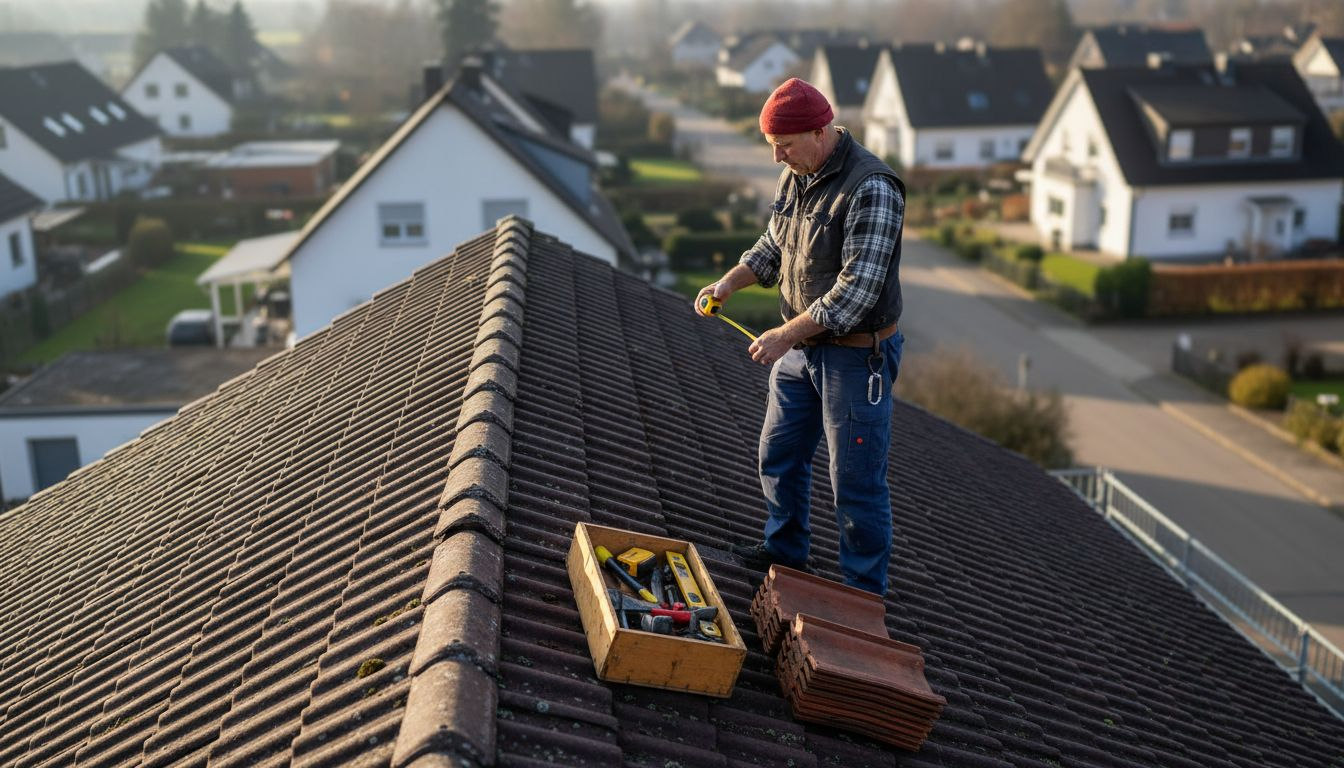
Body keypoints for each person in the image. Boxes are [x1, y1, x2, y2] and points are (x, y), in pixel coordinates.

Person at [695, 77, 905, 596]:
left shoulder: (871, 187)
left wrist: (784, 334)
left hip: (858, 361)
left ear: (820, 131)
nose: (777, 159)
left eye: (784, 147)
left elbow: (855, 292)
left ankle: (862, 595)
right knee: (779, 452)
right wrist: (727, 284)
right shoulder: (797, 174)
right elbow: (773, 246)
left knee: (854, 485)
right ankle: (786, 551)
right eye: (772, 147)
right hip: (803, 353)